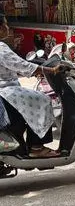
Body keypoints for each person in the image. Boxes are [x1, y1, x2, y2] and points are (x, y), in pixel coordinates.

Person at [0, 13, 60, 158]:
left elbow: (14, 66)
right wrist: (49, 70)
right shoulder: (1, 47)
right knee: (43, 99)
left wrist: (35, 70)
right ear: (1, 28)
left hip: (8, 89)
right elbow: (20, 65)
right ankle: (36, 147)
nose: (8, 27)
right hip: (6, 91)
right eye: (6, 24)